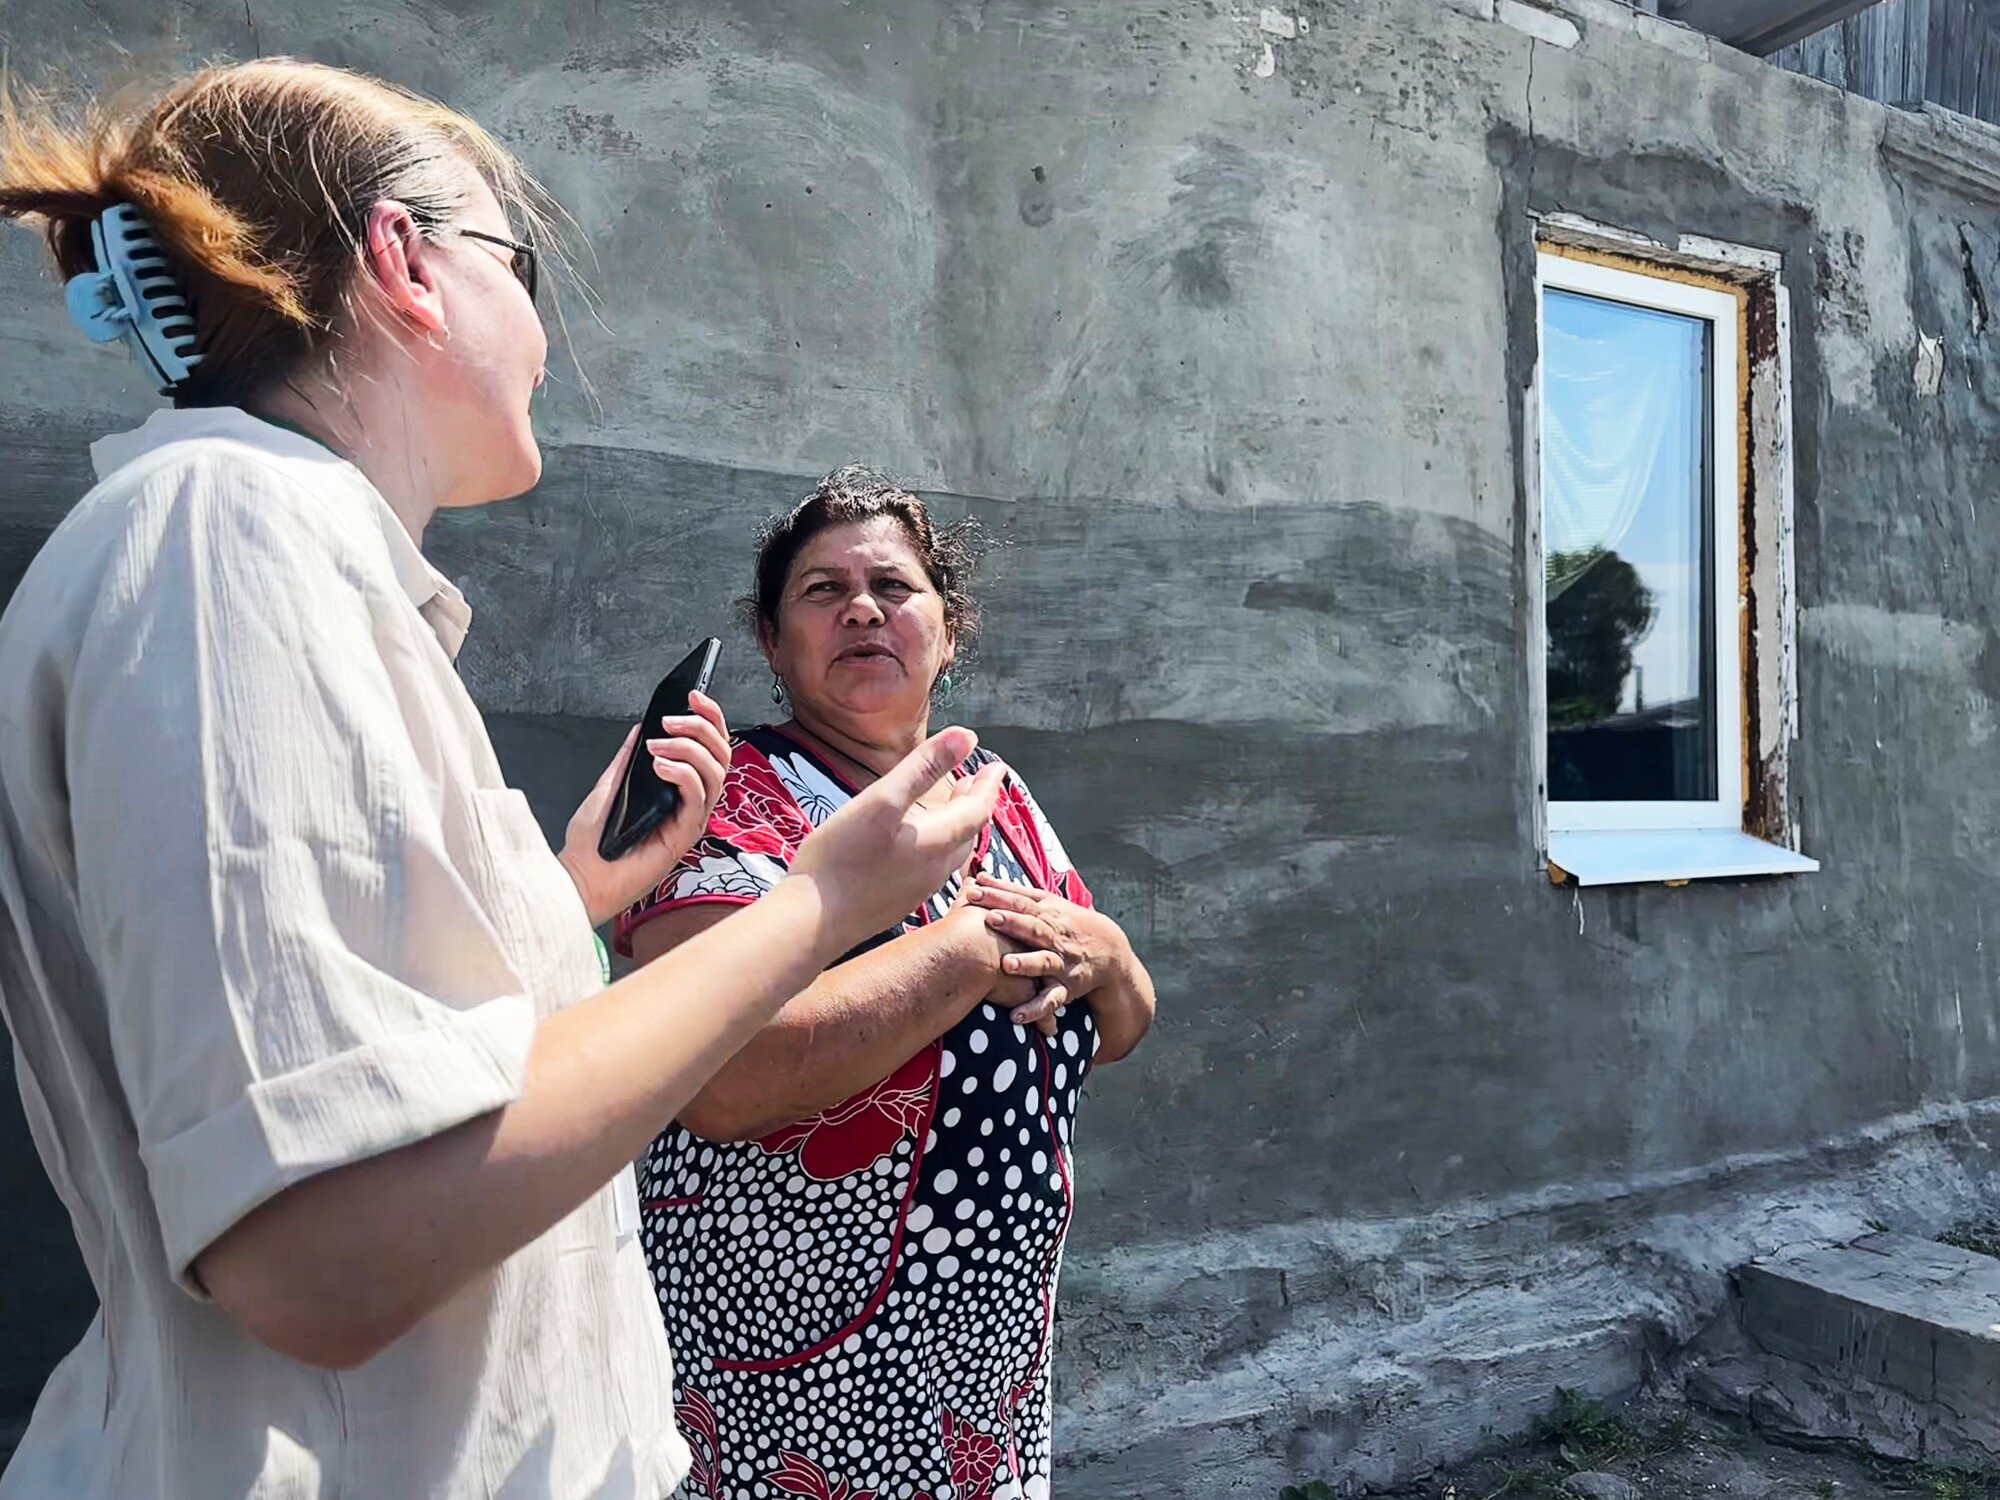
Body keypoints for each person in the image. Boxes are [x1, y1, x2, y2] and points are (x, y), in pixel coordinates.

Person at [0, 61, 1001, 1500]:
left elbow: (406, 1062)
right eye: (517, 266)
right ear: (405, 263)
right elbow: (323, 1248)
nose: (541, 331)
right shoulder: (225, 538)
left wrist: (571, 894)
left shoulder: (266, 553)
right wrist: (820, 904)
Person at [617, 466, 1158, 1500]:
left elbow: (1114, 1022)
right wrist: (966, 952)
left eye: (892, 587)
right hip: (790, 1398)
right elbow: (721, 1080)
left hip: (983, 1390)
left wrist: (1115, 956)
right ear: (774, 645)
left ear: (947, 632)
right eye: (820, 591)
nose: (861, 606)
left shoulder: (996, 797)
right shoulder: (726, 808)